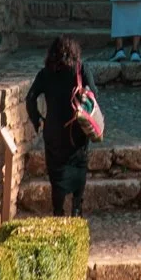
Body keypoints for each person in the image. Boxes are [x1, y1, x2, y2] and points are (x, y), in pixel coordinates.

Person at [25, 34, 96, 218]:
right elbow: (94, 95)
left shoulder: (45, 74)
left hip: (54, 133)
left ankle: (58, 211)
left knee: (57, 176)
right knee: (79, 170)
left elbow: (30, 98)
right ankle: (77, 209)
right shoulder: (81, 71)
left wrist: (38, 120)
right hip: (77, 132)